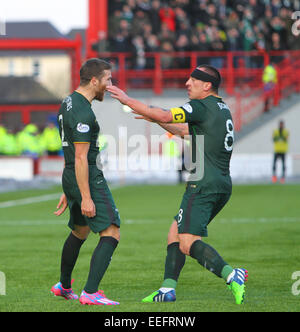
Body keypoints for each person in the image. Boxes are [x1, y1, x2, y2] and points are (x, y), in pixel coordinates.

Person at [107, 65, 248, 305]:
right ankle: (167, 289)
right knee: (175, 232)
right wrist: (155, 119)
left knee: (187, 242)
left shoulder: (201, 105)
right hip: (221, 184)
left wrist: (129, 100)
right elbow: (185, 131)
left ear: (207, 86)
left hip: (203, 184)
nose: (187, 83)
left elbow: (165, 115)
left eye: (193, 80)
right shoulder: (221, 109)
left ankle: (231, 274)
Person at [51, 58, 121, 306]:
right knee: (111, 230)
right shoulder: (82, 111)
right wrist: (86, 195)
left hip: (72, 175)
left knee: (79, 231)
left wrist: (69, 187)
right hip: (87, 176)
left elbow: (69, 152)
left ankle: (64, 286)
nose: (109, 85)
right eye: (107, 80)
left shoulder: (68, 101)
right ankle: (90, 292)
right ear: (94, 81)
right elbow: (81, 157)